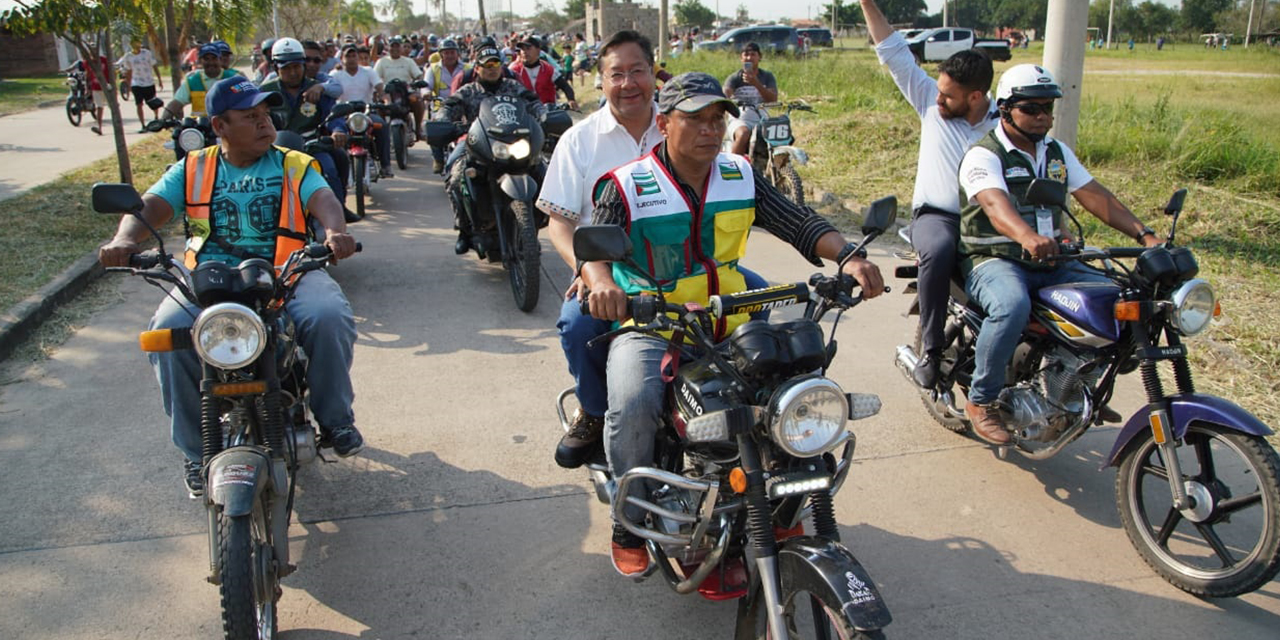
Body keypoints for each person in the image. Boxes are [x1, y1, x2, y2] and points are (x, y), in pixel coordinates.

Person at [580, 72, 884, 576]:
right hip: (655, 325)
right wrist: (601, 284)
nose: (710, 129)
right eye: (695, 118)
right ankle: (630, 521)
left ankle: (780, 501)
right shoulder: (628, 184)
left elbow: (798, 223)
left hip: (731, 319)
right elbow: (595, 247)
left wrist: (848, 255)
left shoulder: (741, 174)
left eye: (717, 118)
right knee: (632, 405)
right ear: (663, 123)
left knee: (793, 387)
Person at [96, 77, 363, 497]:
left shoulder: (293, 162)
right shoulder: (193, 167)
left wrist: (334, 233)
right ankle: (196, 449)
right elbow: (149, 208)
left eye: (266, 115)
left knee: (329, 317)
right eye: (250, 117)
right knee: (167, 336)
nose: (265, 124)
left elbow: (324, 200)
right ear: (219, 126)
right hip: (208, 277)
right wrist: (125, 240)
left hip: (287, 270)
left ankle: (335, 420)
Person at [540, 30, 771, 470]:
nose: (629, 83)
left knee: (762, 302)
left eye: (638, 71)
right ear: (600, 81)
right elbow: (560, 223)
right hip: (614, 271)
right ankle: (593, 409)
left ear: (654, 74)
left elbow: (747, 165)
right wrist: (589, 274)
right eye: (616, 74)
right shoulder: (580, 140)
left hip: (696, 266)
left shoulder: (688, 117)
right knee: (577, 324)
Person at [956, 64, 1165, 445]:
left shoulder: (1056, 152)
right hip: (995, 258)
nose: (1042, 118)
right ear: (1005, 109)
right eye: (1031, 109)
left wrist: (1145, 234)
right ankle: (981, 402)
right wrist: (1027, 235)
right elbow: (993, 205)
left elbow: (1095, 196)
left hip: (1051, 260)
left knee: (1118, 299)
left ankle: (1074, 383)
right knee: (1011, 306)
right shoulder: (984, 155)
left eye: (1047, 108)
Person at [859, 0, 999, 389]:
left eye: (948, 96)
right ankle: (932, 350)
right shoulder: (930, 102)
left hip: (990, 220)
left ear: (976, 97)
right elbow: (893, 51)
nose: (937, 102)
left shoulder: (1003, 127)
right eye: (937, 92)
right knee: (937, 252)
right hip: (938, 217)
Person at [439, 44, 544, 254]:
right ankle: (464, 229)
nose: (491, 68)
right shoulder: (468, 91)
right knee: (455, 174)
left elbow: (534, 102)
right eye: (486, 65)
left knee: (542, 169)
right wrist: (443, 121)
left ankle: (535, 226)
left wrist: (544, 115)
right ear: (477, 68)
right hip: (475, 143)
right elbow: (448, 106)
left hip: (514, 143)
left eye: (495, 63)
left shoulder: (513, 87)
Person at [260, 38, 356, 223]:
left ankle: (336, 215)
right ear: (275, 67)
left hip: (312, 146)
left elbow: (333, 114)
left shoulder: (317, 88)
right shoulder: (265, 93)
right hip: (276, 150)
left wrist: (337, 131)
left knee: (329, 168)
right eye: (286, 68)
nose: (293, 72)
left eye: (297, 66)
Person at [331, 44, 394, 178]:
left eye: (354, 56)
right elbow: (330, 93)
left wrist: (385, 100)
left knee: (382, 126)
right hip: (343, 114)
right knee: (335, 133)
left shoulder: (368, 71)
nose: (352, 59)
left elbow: (379, 88)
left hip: (366, 112)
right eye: (348, 56)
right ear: (342, 58)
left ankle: (385, 165)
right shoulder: (335, 75)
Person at [722, 42, 778, 156]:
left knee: (778, 136)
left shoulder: (766, 77)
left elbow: (772, 99)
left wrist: (756, 83)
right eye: (746, 55)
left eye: (753, 54)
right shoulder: (735, 77)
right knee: (743, 133)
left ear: (759, 57)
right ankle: (734, 166)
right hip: (740, 119)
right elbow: (725, 95)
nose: (749, 58)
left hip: (762, 119)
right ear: (741, 58)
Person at [164, 43, 239, 119]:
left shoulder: (233, 79)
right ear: (200, 61)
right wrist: (163, 119)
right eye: (206, 59)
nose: (211, 62)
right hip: (198, 128)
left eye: (214, 58)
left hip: (226, 126)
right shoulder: (192, 81)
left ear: (220, 59)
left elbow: (246, 99)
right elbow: (177, 102)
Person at [424, 38, 465, 173]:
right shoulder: (433, 68)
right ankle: (438, 159)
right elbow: (426, 86)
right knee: (433, 126)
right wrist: (426, 93)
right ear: (441, 54)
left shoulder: (467, 68)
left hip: (462, 105)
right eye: (446, 53)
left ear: (457, 53)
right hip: (440, 105)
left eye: (452, 52)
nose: (450, 56)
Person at [374, 36, 425, 139]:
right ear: (388, 48)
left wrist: (419, 81)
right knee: (378, 107)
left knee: (418, 101)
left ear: (401, 48)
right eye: (393, 46)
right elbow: (375, 77)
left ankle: (418, 129)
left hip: (406, 92)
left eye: (397, 46)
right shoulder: (382, 62)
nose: (395, 49)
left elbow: (418, 75)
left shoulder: (409, 61)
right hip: (388, 94)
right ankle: (381, 134)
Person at [509, 35, 578, 110]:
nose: (525, 52)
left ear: (538, 50)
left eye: (528, 48)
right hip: (524, 114)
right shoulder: (513, 70)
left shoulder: (548, 69)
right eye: (522, 49)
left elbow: (565, 86)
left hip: (548, 113)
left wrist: (571, 100)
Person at [117, 40, 164, 132]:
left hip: (149, 82)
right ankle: (143, 125)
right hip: (136, 83)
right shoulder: (128, 56)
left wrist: (159, 79)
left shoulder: (146, 53)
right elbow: (129, 71)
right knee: (139, 104)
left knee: (153, 103)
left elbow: (154, 66)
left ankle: (156, 118)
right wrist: (129, 85)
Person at [74, 49, 111, 135]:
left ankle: (118, 125)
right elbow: (88, 75)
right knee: (99, 107)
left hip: (106, 87)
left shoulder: (104, 60)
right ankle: (99, 127)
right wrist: (88, 88)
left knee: (112, 106)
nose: (93, 54)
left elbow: (111, 72)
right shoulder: (87, 63)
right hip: (95, 88)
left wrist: (112, 85)